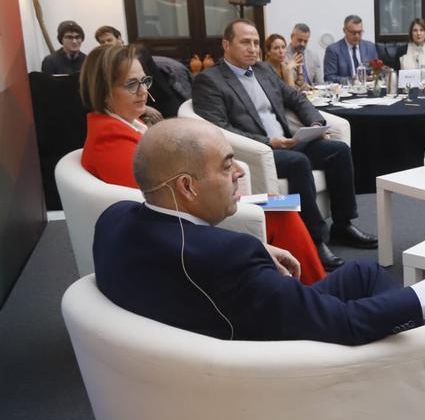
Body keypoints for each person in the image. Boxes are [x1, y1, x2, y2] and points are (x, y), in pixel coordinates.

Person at [93, 117, 425, 420]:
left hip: (209, 335)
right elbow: (343, 326)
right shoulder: (224, 259)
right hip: (268, 364)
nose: (239, 172)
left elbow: (187, 246)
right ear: (188, 187)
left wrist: (256, 248)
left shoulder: (115, 221)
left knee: (365, 277)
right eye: (227, 164)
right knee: (376, 310)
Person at [78, 43, 328, 284]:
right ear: (104, 92)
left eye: (144, 81)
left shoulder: (122, 125)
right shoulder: (111, 140)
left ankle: (312, 282)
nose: (143, 91)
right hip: (184, 229)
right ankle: (317, 290)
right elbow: (158, 209)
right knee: (280, 210)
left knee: (277, 201)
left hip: (192, 205)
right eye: (131, 84)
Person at [193, 19, 377, 271]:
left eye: (256, 43)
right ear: (226, 45)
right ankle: (314, 238)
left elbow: (296, 97)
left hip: (289, 142)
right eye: (245, 42)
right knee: (298, 163)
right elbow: (221, 129)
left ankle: (343, 225)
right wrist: (269, 142)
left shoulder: (264, 70)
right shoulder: (210, 80)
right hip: (258, 151)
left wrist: (315, 124)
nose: (253, 48)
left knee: (338, 150)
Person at [94, 24, 180, 119]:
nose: (106, 44)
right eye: (102, 42)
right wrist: (145, 109)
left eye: (109, 40)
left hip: (159, 98)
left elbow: (148, 85)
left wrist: (146, 108)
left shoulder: (136, 54)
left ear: (119, 39)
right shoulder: (105, 63)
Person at [323, 14, 380, 84]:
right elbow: (329, 77)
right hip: (345, 91)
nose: (357, 36)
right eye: (353, 33)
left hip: (367, 89)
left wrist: (373, 76)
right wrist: (351, 80)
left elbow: (377, 70)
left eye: (359, 32)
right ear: (344, 30)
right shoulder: (333, 50)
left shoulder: (370, 47)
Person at [399, 17, 425, 83]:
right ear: (411, 33)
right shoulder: (401, 51)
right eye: (415, 30)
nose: (418, 33)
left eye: (422, 30)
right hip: (406, 91)